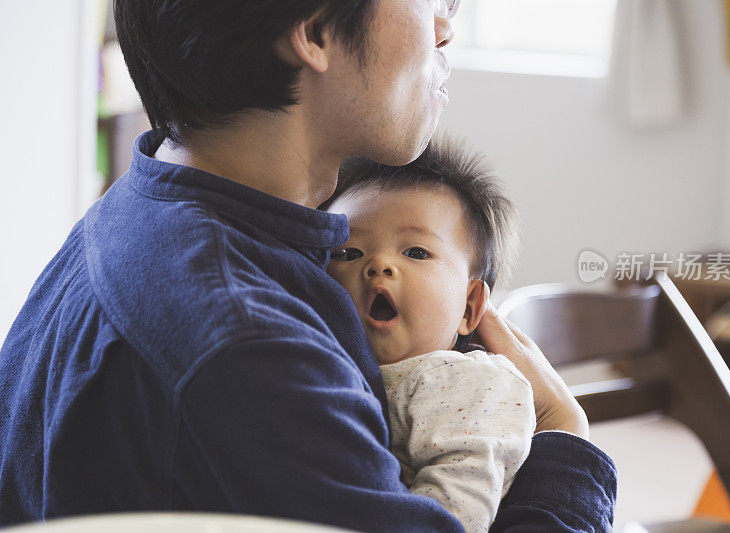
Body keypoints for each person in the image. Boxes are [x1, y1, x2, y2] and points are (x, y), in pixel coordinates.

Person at [0, 1, 617, 531]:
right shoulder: (248, 347)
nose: (445, 28)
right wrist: (565, 440)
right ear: (317, 31)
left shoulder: (145, 203)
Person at [323, 137, 536, 532]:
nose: (379, 264)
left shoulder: (468, 383)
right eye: (348, 253)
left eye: (416, 252)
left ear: (470, 308)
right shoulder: (316, 360)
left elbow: (459, 505)